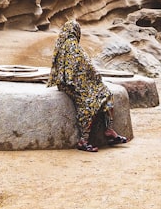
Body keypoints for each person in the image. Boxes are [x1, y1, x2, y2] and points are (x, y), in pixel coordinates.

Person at [47, 20, 129, 152]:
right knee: (88, 103)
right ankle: (83, 140)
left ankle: (109, 130)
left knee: (106, 93)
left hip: (74, 82)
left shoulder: (64, 44)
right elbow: (73, 70)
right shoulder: (70, 46)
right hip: (72, 85)